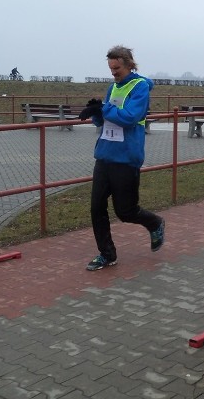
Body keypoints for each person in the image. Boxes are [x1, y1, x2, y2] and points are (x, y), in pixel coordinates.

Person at [79, 45, 165, 271]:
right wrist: (96, 113)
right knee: (96, 207)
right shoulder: (112, 87)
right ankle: (106, 254)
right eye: (111, 68)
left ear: (128, 64)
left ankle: (154, 222)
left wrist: (104, 108)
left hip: (127, 157)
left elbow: (130, 117)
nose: (113, 73)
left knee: (125, 211)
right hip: (105, 155)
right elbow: (105, 120)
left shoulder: (140, 87)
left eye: (117, 68)